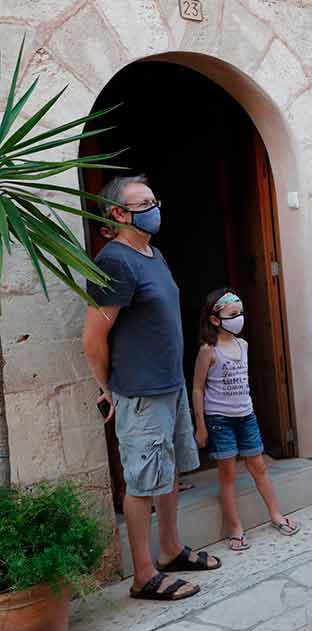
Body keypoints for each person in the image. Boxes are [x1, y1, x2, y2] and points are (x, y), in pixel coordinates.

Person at [82, 175, 221, 602]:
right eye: (142, 202)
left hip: (170, 385)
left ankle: (171, 550)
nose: (153, 207)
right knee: (141, 484)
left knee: (168, 474)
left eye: (154, 200)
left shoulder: (153, 255)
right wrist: (107, 388)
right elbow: (93, 339)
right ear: (117, 214)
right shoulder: (115, 262)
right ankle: (143, 575)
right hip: (140, 393)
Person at [192, 289, 300, 551]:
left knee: (259, 466)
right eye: (232, 314)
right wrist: (201, 425)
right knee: (227, 473)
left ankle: (275, 514)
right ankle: (235, 527)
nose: (239, 318)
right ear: (215, 319)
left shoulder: (244, 346)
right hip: (220, 420)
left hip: (246, 416)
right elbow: (197, 388)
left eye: (240, 313)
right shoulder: (208, 351)